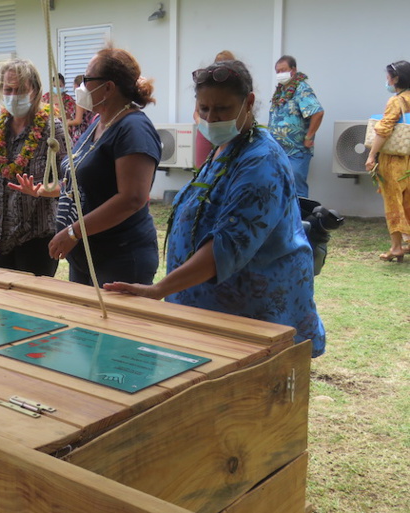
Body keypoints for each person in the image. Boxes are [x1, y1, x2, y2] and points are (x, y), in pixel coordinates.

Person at [104, 60, 326, 358]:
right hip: (210, 313)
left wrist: (159, 289)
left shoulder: (261, 160)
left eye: (222, 109)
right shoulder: (227, 148)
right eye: (204, 108)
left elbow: (228, 245)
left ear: (248, 102)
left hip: (253, 322)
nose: (211, 118)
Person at [11, 48, 161, 287]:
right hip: (86, 257)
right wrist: (46, 190)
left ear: (109, 88)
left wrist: (73, 232)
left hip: (120, 258)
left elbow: (132, 198)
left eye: (87, 80)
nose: (80, 86)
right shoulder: (99, 123)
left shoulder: (133, 129)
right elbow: (89, 183)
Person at [0, 58, 65, 277]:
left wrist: (43, 190)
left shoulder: (52, 128)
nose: (13, 96)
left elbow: (70, 181)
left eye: (21, 89)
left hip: (36, 237)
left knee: (32, 304)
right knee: (1, 303)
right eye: (8, 89)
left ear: (35, 91)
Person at [365, 60, 410, 262]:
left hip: (393, 160)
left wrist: (371, 155)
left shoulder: (396, 101)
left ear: (396, 78)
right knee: (408, 202)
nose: (387, 81)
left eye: (388, 77)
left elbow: (383, 130)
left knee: (393, 201)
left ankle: (396, 247)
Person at [268, 55, 324, 198]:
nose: (280, 74)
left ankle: (301, 219)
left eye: (283, 70)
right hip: (278, 151)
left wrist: (309, 136)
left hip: (296, 151)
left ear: (293, 70)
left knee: (296, 189)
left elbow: (317, 112)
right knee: (280, 188)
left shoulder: (302, 89)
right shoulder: (281, 91)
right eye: (278, 71)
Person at [194, 50, 236, 167]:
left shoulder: (237, 88)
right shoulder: (206, 86)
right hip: (205, 131)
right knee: (202, 170)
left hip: (228, 131)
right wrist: (204, 127)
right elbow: (196, 112)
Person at [67, 74, 96, 145]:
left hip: (79, 134)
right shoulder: (90, 99)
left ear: (76, 86)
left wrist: (67, 123)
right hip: (88, 130)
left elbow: (78, 120)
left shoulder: (80, 102)